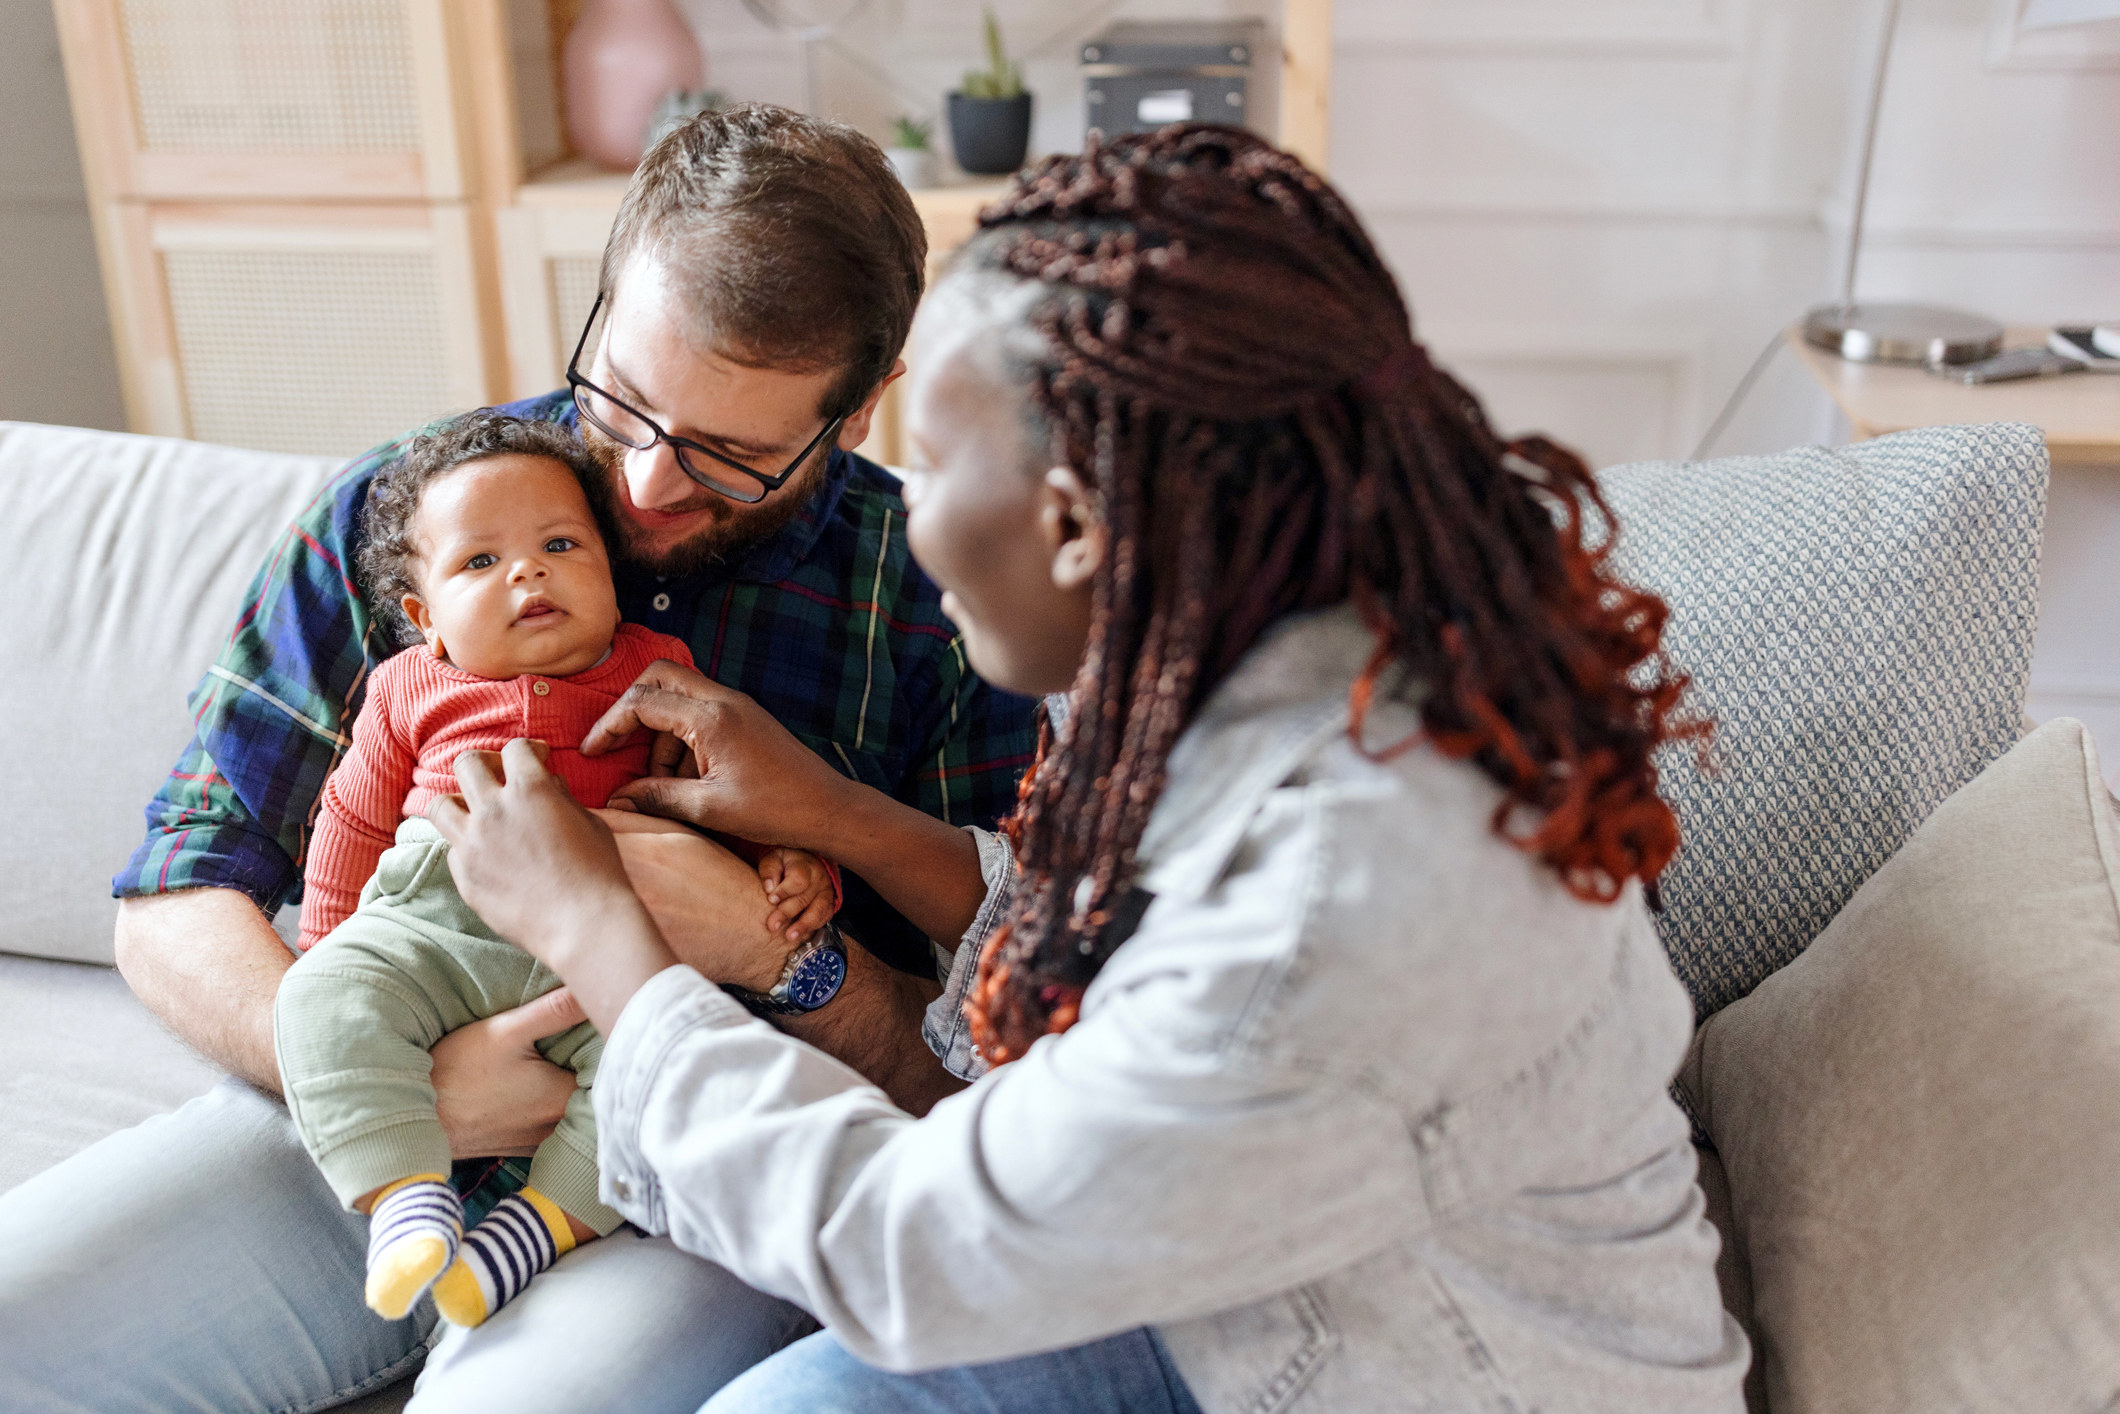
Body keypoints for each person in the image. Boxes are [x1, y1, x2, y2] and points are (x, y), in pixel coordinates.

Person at [430, 126, 1753, 1412]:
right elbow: (1113, 954)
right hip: (1250, 1292)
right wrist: (837, 814)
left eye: (934, 466)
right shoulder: (1275, 665)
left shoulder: (1339, 904)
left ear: (1071, 523)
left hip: (1397, 1363)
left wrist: (597, 930)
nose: (916, 518)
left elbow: (917, 1250)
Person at [0, 105, 1033, 1412]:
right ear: (601, 300)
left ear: (862, 407)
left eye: (734, 455)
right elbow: (174, 890)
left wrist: (784, 955)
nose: (652, 483)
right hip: (355, 1109)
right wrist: (389, 1086)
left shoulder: (941, 609)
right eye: (623, 398)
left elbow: (997, 1075)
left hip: (680, 1172)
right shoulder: (415, 514)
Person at [276, 412, 840, 1332]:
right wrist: (337, 955)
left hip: (602, 940)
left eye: (559, 545)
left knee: (651, 1070)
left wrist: (792, 865)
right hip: (432, 920)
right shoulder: (410, 687)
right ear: (425, 620)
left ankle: (542, 1225)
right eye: (479, 564)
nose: (527, 572)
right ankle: (407, 1197)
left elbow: (725, 795)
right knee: (312, 999)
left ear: (611, 573)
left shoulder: (660, 670)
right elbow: (350, 817)